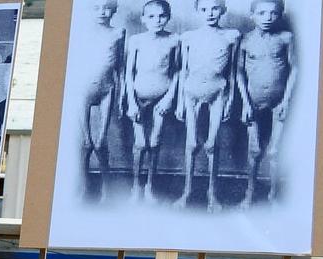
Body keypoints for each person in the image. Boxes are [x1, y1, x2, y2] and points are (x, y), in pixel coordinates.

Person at [177, 0, 241, 208]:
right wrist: (179, 101)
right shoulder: (188, 37)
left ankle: (212, 193)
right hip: (191, 91)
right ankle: (187, 191)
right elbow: (183, 70)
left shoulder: (231, 36)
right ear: (197, 11)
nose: (210, 13)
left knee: (212, 144)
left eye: (215, 8)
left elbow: (232, 70)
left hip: (218, 91)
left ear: (223, 10)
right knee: (192, 143)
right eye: (204, 9)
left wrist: (230, 98)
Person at [237, 0, 295, 205]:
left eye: (273, 13)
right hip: (253, 101)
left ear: (280, 15)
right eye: (261, 13)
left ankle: (272, 196)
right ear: (252, 14)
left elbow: (294, 69)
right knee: (254, 150)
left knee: (274, 151)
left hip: (279, 100)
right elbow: (239, 72)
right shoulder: (245, 40)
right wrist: (245, 102)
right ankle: (249, 193)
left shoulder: (286, 38)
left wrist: (287, 100)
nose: (267, 18)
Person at [124, 0, 181, 200]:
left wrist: (169, 98)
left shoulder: (175, 39)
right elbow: (128, 74)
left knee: (155, 142)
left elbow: (177, 72)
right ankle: (135, 186)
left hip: (162, 98)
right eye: (151, 16)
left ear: (168, 17)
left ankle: (149, 186)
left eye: (162, 16)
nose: (157, 20)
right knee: (140, 144)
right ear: (143, 19)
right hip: (138, 97)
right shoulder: (136, 40)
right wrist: (131, 102)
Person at [77, 0, 126, 194]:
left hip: (108, 89)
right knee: (86, 142)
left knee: (101, 142)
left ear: (114, 10)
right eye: (97, 7)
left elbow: (120, 66)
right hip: (83, 90)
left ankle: (106, 189)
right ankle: (84, 186)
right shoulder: (82, 33)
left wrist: (122, 93)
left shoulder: (118, 32)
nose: (103, 13)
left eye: (107, 8)